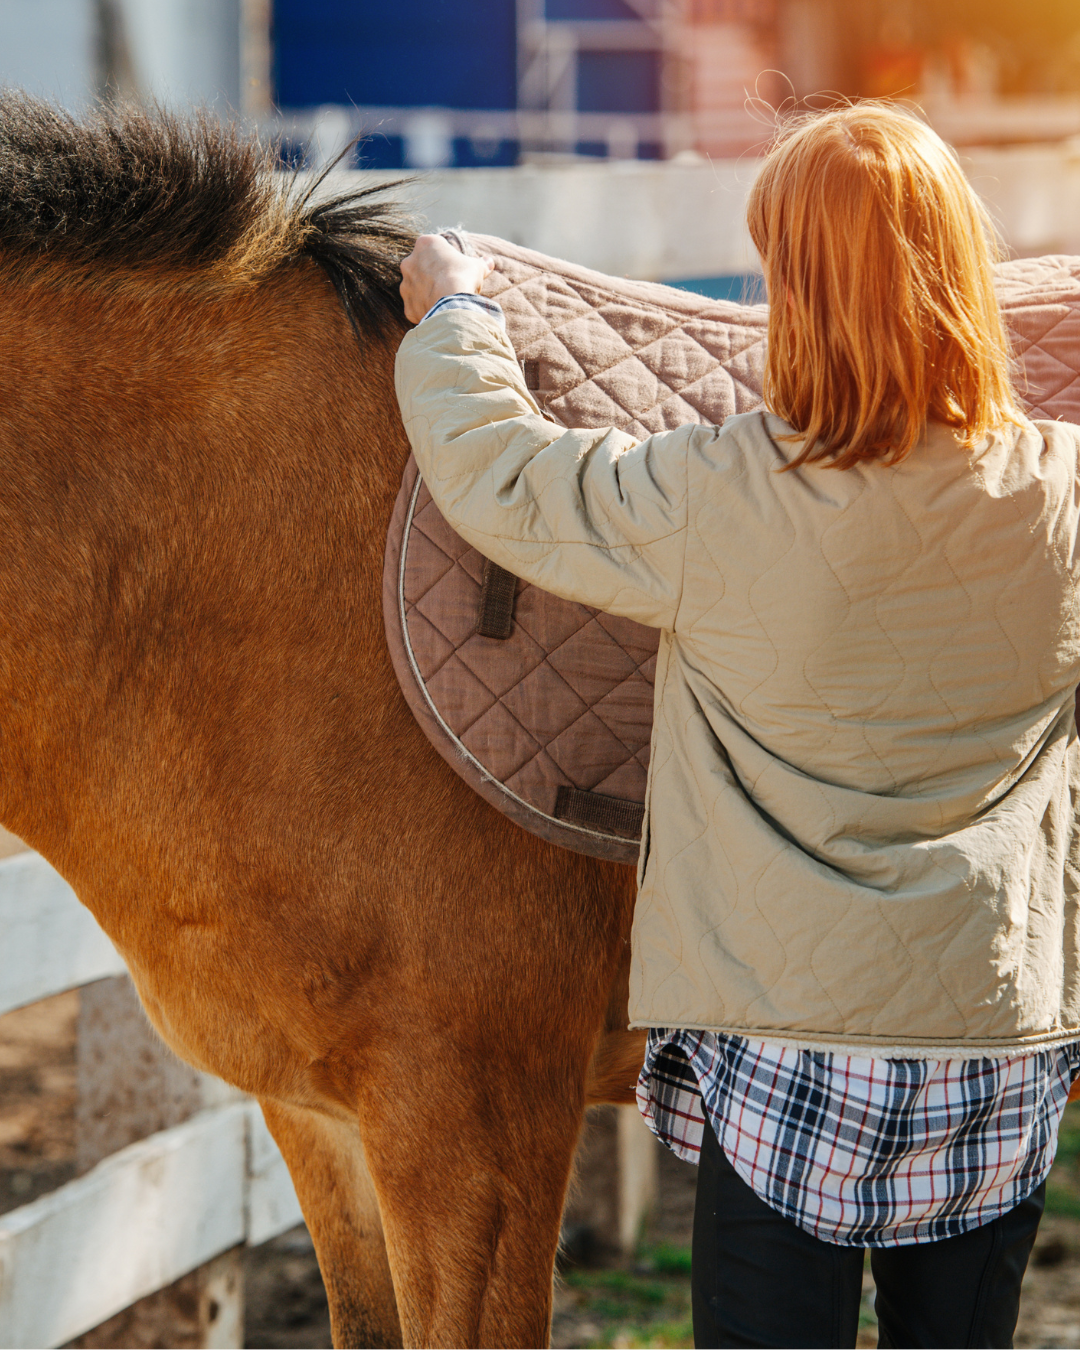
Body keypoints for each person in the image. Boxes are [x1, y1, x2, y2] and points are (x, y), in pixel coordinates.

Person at [394, 103, 1080, 1348]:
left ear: (795, 296)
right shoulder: (1062, 493)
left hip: (782, 1045)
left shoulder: (716, 492)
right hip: (993, 1040)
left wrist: (455, 315)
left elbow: (505, 474)